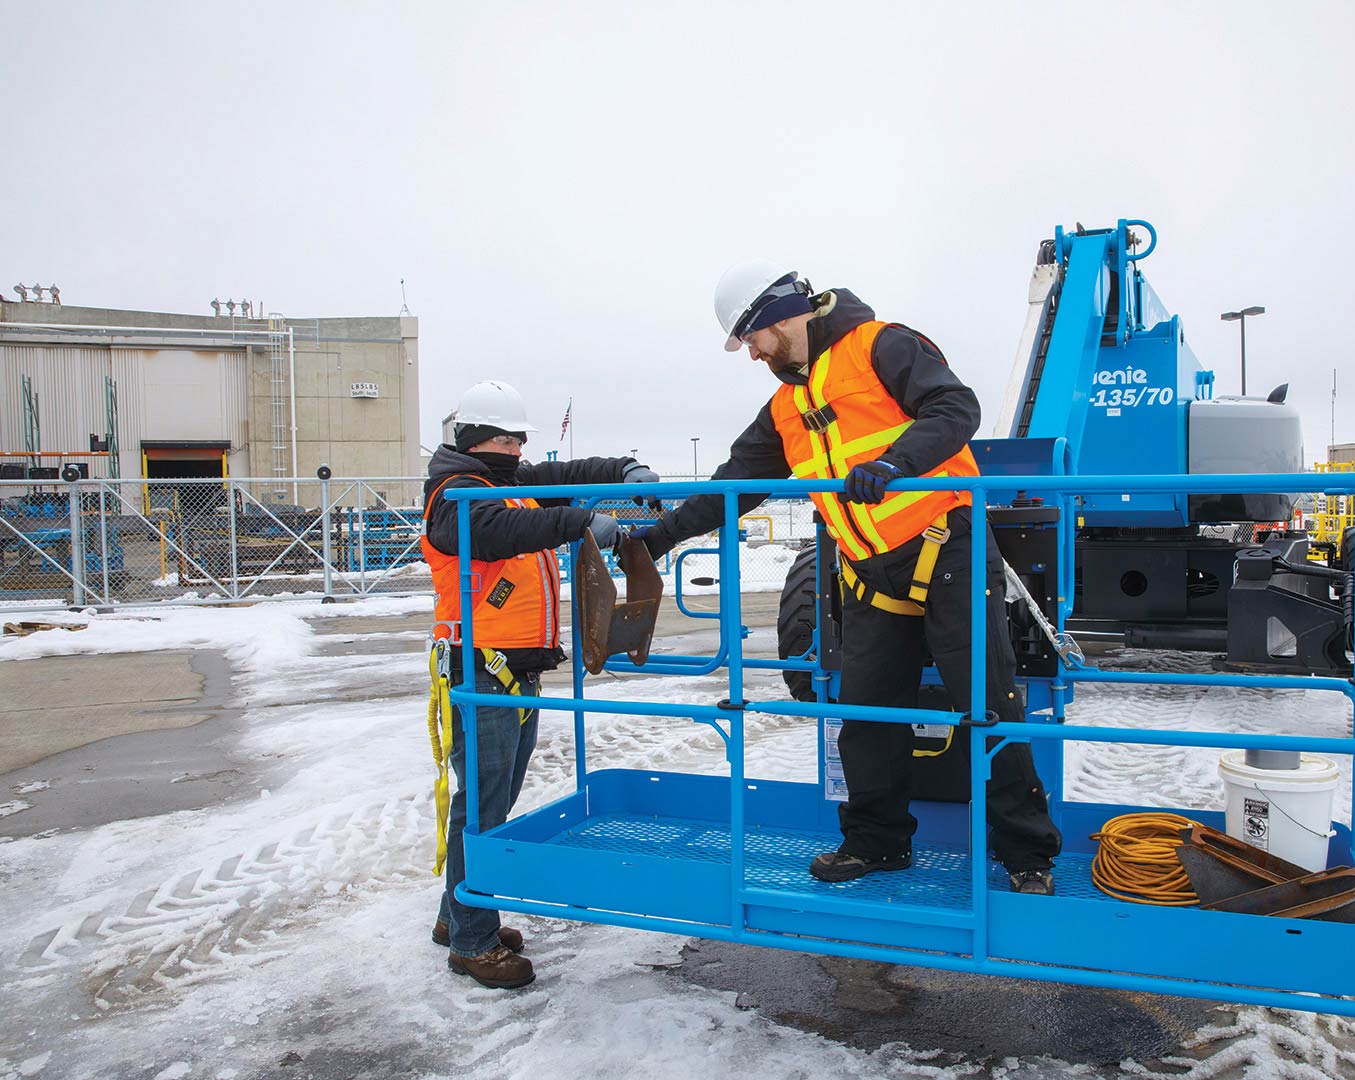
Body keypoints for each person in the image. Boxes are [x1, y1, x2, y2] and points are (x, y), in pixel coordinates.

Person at [632, 263, 1062, 895]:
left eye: (751, 340)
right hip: (868, 571)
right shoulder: (785, 406)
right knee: (865, 714)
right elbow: (734, 486)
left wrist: (895, 463)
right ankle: (876, 842)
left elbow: (955, 408)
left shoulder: (882, 344)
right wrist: (658, 537)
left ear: (776, 318)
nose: (751, 355)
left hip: (947, 550)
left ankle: (1027, 854)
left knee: (988, 705)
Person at [422, 379, 659, 988]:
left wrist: (625, 468)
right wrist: (581, 521)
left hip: (512, 668)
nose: (517, 449)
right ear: (476, 439)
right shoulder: (457, 496)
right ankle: (472, 940)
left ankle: (459, 914)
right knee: (483, 803)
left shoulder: (505, 483)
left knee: (493, 798)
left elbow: (571, 469)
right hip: (480, 667)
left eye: (520, 438)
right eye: (506, 438)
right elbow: (498, 533)